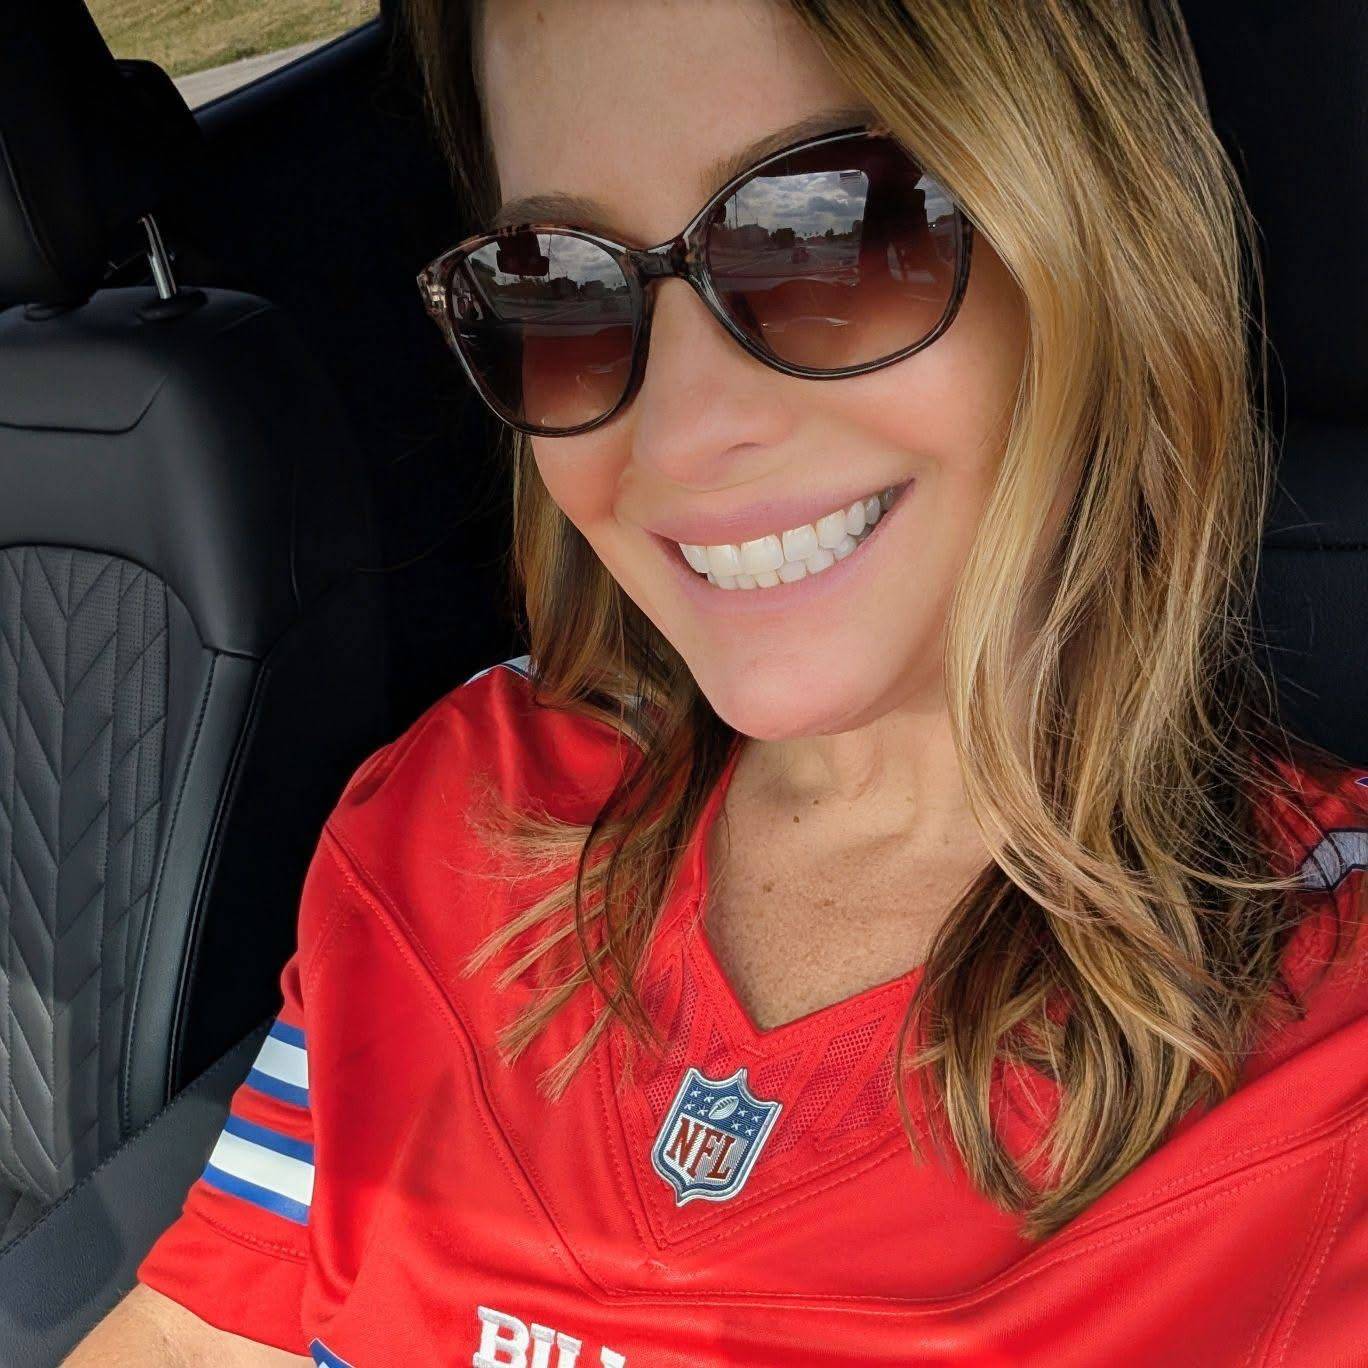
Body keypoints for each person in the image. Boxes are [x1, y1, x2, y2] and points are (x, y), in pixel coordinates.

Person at [68, 1, 1368, 1364]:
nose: (682, 435)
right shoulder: (457, 802)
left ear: (1095, 239)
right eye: (554, 283)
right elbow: (205, 1329)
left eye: (827, 234)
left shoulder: (1323, 1044)